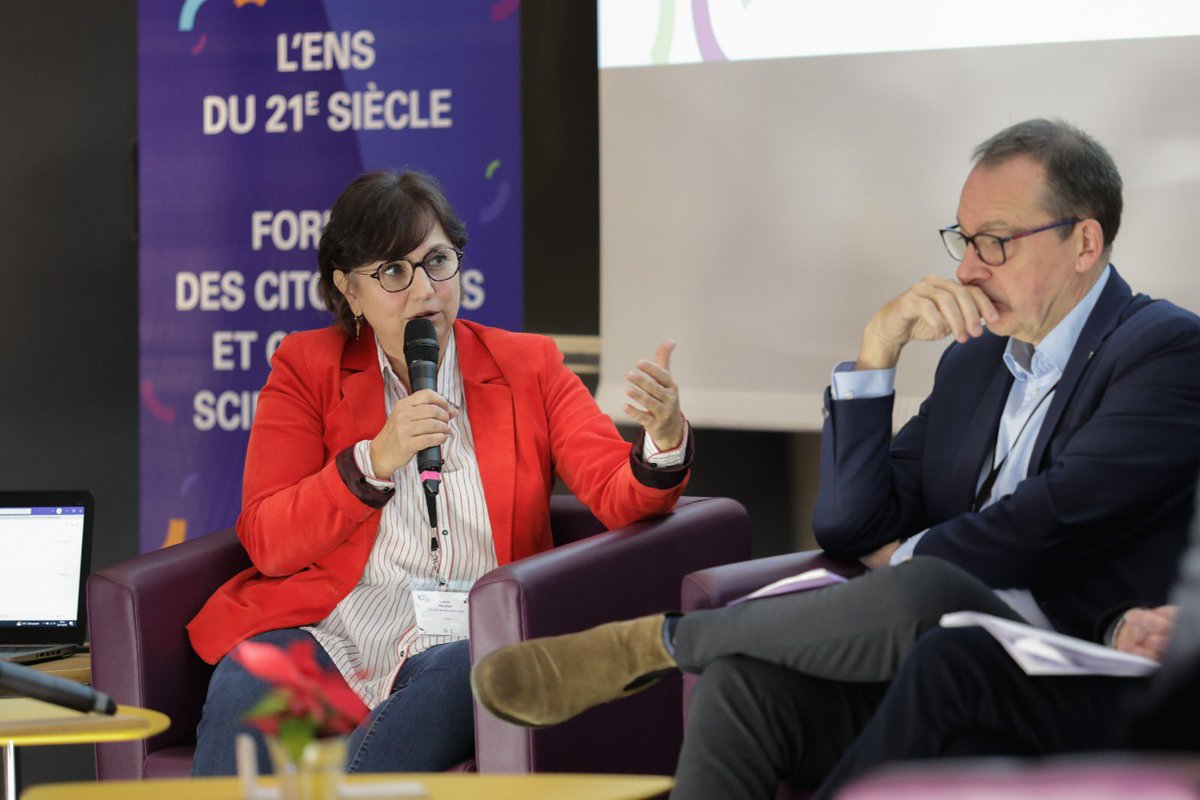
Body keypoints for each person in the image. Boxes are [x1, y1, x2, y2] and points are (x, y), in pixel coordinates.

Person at [470, 119, 1200, 797]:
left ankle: (651, 645)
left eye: (997, 242)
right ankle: (684, 649)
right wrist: (877, 349)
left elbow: (1047, 523)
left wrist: (907, 561)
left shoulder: (1164, 351)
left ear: (1085, 243)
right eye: (964, 239)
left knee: (927, 595)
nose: (971, 270)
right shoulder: (977, 364)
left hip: (1084, 675)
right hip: (944, 664)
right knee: (739, 684)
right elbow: (851, 525)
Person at [186, 170, 694, 775]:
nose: (425, 289)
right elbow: (269, 542)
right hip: (339, 634)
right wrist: (375, 459)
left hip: (468, 637)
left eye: (438, 261)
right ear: (350, 290)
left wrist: (662, 438)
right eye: (394, 272)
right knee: (249, 681)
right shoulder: (306, 368)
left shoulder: (526, 366)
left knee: (464, 672)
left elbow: (618, 493)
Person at [813, 481, 1200, 799]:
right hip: (1146, 678)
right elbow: (848, 520)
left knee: (952, 658)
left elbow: (1051, 520)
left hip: (1171, 713)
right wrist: (1127, 626)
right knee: (967, 749)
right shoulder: (968, 389)